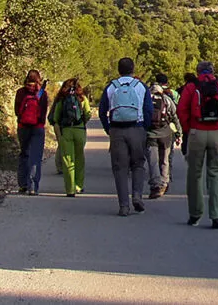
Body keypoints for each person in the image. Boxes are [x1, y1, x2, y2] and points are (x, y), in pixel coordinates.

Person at [176, 61, 218, 229]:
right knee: (217, 173)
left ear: (198, 72)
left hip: (197, 131)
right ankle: (217, 214)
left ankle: (195, 214)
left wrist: (188, 129)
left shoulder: (191, 87)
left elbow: (181, 109)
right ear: (213, 71)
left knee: (194, 174)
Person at [99, 57, 153, 216]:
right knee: (138, 164)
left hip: (117, 130)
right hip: (137, 128)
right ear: (133, 69)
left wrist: (108, 128)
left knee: (120, 168)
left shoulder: (111, 87)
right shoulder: (140, 86)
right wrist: (145, 128)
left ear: (118, 69)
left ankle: (123, 205)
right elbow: (148, 110)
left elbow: (103, 111)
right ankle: (137, 195)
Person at [48, 78, 91, 197]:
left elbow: (56, 117)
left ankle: (70, 189)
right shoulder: (83, 99)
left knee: (68, 160)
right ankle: (79, 185)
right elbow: (88, 114)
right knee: (79, 159)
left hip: (66, 131)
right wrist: (82, 122)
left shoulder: (62, 99)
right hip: (80, 131)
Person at [146, 72, 181, 199]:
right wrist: (178, 133)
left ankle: (156, 184)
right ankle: (164, 182)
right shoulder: (167, 99)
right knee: (164, 160)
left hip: (150, 134)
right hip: (166, 134)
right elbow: (174, 116)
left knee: (153, 160)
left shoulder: (146, 99)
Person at [14, 70, 49, 195]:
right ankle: (33, 186)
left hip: (23, 127)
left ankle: (23, 185)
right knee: (35, 156)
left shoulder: (20, 92)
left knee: (24, 154)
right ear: (39, 79)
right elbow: (44, 111)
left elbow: (17, 111)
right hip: (38, 127)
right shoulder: (42, 94)